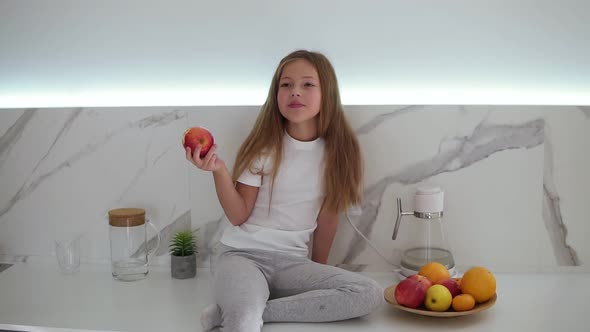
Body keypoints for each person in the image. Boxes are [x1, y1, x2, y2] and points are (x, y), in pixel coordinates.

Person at [186, 50, 383, 332]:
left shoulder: (338, 154)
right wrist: (219, 171)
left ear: (326, 93)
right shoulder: (265, 148)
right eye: (286, 84)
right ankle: (240, 311)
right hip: (244, 256)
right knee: (243, 323)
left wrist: (317, 273)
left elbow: (328, 219)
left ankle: (237, 312)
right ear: (276, 95)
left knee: (368, 294)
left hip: (293, 263)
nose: (295, 92)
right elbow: (238, 215)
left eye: (307, 84)